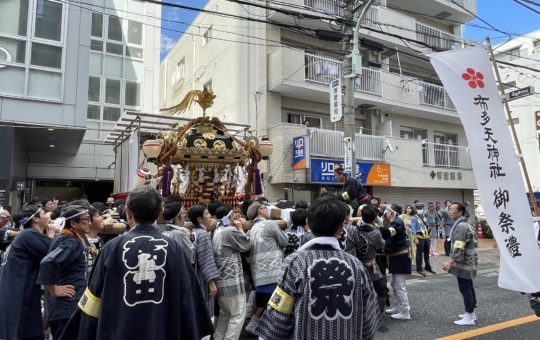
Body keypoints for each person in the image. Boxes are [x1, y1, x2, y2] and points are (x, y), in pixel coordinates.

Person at [255, 196, 380, 340]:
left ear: (307, 224)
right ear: (340, 228)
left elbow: (278, 315)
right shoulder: (356, 265)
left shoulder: (294, 262)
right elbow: (369, 320)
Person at [0, 206, 56, 340]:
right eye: (44, 213)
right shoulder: (29, 234)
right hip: (21, 295)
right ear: (35, 219)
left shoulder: (26, 235)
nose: (48, 217)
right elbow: (55, 253)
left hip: (19, 293)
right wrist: (51, 237)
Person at [37, 205, 91, 339]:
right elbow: (48, 262)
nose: (89, 223)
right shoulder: (69, 242)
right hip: (66, 307)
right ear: (73, 223)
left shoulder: (66, 238)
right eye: (87, 219)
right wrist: (54, 289)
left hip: (63, 308)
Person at [244, 201, 289, 334]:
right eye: (265, 207)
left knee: (260, 298)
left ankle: (253, 322)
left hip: (257, 269)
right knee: (270, 300)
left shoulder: (251, 229)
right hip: (271, 268)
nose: (267, 210)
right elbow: (284, 241)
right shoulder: (269, 224)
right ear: (260, 211)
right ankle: (253, 325)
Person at [212, 205, 250, 340]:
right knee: (238, 315)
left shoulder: (217, 230)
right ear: (229, 216)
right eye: (234, 214)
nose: (236, 216)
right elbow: (246, 245)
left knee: (225, 314)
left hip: (221, 280)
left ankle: (217, 338)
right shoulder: (230, 231)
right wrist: (240, 228)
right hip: (232, 281)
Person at [442, 202, 478, 326]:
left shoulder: (461, 226)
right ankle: (471, 313)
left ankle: (469, 316)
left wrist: (449, 261)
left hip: (465, 263)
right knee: (468, 287)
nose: (449, 211)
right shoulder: (463, 223)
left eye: (452, 209)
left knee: (465, 289)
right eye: (449, 209)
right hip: (467, 261)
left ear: (460, 212)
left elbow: (459, 246)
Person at [357, 204, 389, 332]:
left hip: (358, 266)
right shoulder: (374, 232)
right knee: (382, 293)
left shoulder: (354, 228)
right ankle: (374, 321)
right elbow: (382, 245)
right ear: (374, 218)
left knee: (360, 294)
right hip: (371, 268)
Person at [381, 204, 412, 320]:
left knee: (399, 286)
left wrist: (376, 227)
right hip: (396, 257)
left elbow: (388, 233)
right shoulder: (396, 223)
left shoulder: (397, 223)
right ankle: (399, 307)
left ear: (391, 212)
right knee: (395, 284)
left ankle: (405, 311)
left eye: (388, 210)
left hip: (400, 257)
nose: (386, 212)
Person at [189, 204, 219, 318]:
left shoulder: (193, 232)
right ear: (199, 219)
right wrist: (211, 282)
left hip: (194, 276)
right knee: (205, 313)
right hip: (202, 279)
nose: (210, 216)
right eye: (207, 214)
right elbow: (206, 260)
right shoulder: (203, 234)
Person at [413, 202, 436, 276]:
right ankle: (419, 268)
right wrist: (415, 239)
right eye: (418, 208)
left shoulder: (424, 216)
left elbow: (426, 226)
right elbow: (413, 229)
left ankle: (427, 266)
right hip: (419, 237)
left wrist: (428, 236)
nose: (420, 210)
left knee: (427, 252)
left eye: (421, 208)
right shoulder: (414, 217)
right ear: (416, 209)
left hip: (426, 236)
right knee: (419, 254)